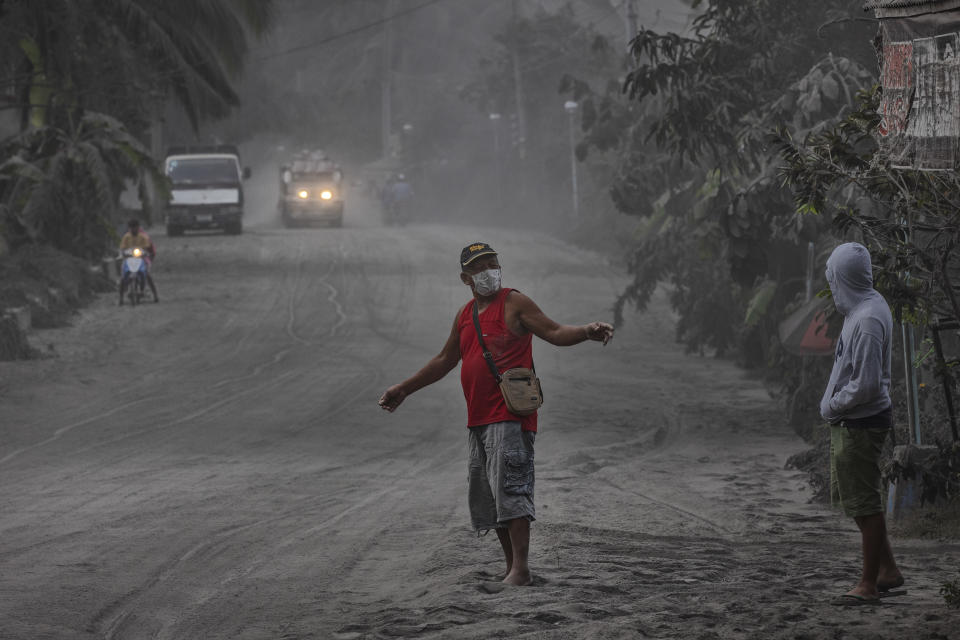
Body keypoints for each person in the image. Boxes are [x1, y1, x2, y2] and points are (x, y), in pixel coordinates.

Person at [378, 242, 614, 586]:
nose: (490, 270)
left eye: (493, 263)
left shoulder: (515, 302)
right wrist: (404, 389)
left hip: (510, 415)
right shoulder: (465, 315)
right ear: (466, 278)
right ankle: (511, 568)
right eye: (480, 266)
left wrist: (585, 331)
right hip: (478, 419)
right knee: (492, 495)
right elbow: (445, 360)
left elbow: (554, 332)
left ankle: (521, 569)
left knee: (512, 489)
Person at [820, 242, 903, 606]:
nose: (832, 287)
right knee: (858, 502)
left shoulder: (868, 320)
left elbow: (867, 384)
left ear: (844, 279)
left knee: (865, 503)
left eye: (833, 280)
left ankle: (868, 584)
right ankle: (888, 570)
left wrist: (835, 405)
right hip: (852, 421)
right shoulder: (863, 308)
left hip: (860, 422)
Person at [118, 218, 159, 303]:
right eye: (131, 228)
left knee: (147, 275)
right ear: (129, 228)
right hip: (129, 259)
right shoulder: (126, 237)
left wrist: (146, 254)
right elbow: (122, 248)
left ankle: (155, 295)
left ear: (138, 227)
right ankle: (121, 298)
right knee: (123, 277)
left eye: (135, 227)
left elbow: (147, 248)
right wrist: (123, 253)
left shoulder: (143, 237)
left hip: (141, 259)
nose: (133, 229)